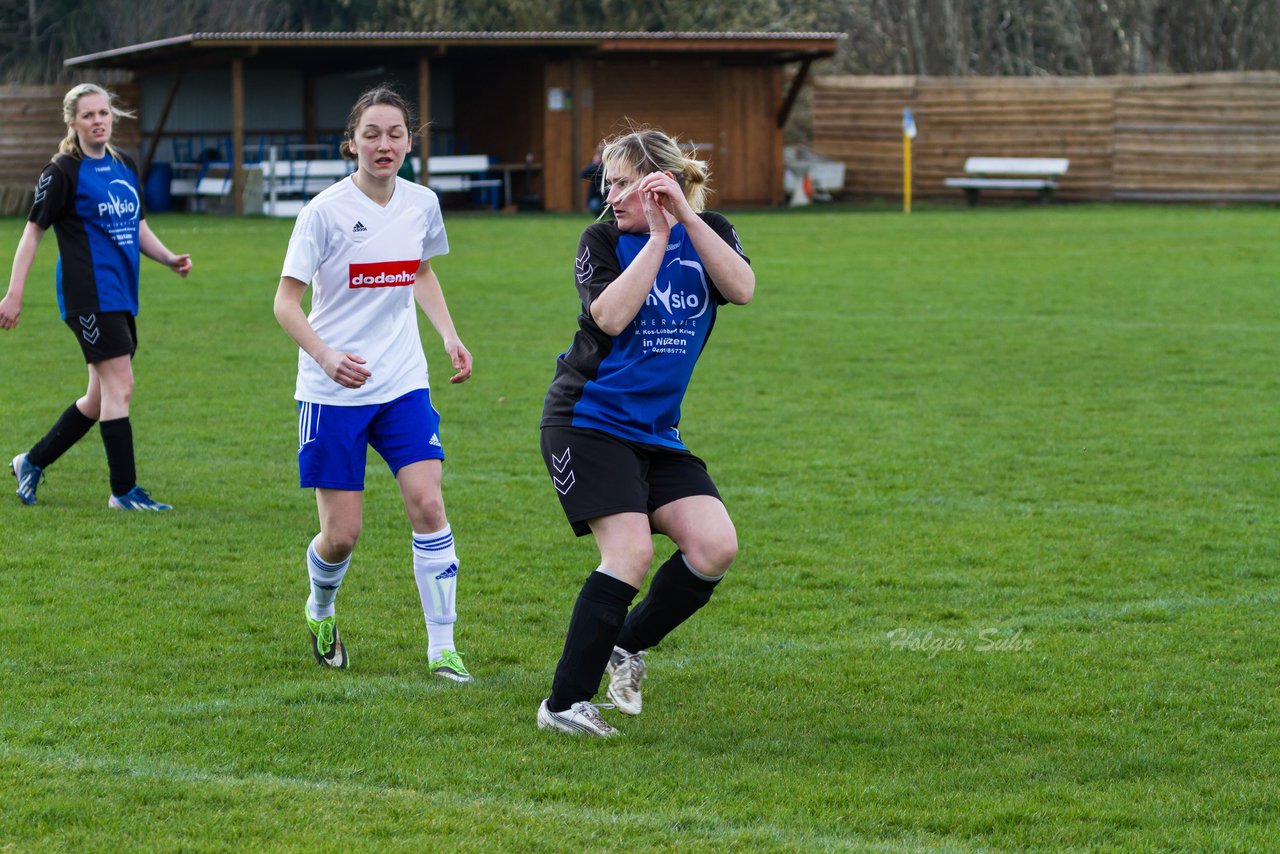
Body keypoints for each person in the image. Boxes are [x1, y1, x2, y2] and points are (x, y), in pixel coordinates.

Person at [536, 127, 755, 736]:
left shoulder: (715, 235)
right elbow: (607, 315)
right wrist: (658, 236)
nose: (611, 196)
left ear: (662, 181)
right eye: (608, 183)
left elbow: (741, 288)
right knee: (629, 553)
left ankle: (623, 645)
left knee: (715, 547)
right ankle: (562, 706)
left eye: (624, 182)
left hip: (656, 432)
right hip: (587, 421)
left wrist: (682, 218)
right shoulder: (601, 239)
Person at [273, 85, 475, 680]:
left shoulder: (421, 204)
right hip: (332, 392)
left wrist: (448, 334)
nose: (383, 145)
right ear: (351, 144)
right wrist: (326, 355)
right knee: (342, 535)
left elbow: (420, 271)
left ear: (409, 142)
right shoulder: (323, 212)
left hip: (402, 381)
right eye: (371, 134)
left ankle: (443, 648)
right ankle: (321, 607)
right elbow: (286, 304)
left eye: (394, 134)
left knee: (428, 502)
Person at [0, 83, 191, 510]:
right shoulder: (62, 171)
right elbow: (32, 233)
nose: (98, 121)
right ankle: (123, 492)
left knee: (101, 396)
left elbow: (137, 225)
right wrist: (13, 294)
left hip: (121, 294)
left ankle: (31, 461)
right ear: (73, 122)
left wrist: (168, 258)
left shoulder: (124, 164)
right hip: (88, 296)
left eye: (103, 113)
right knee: (121, 385)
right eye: (88, 115)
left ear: (112, 116)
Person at [580, 144, 605, 214]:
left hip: (608, 195)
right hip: (597, 196)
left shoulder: (610, 167)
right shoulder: (595, 167)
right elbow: (582, 175)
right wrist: (594, 164)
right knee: (595, 205)